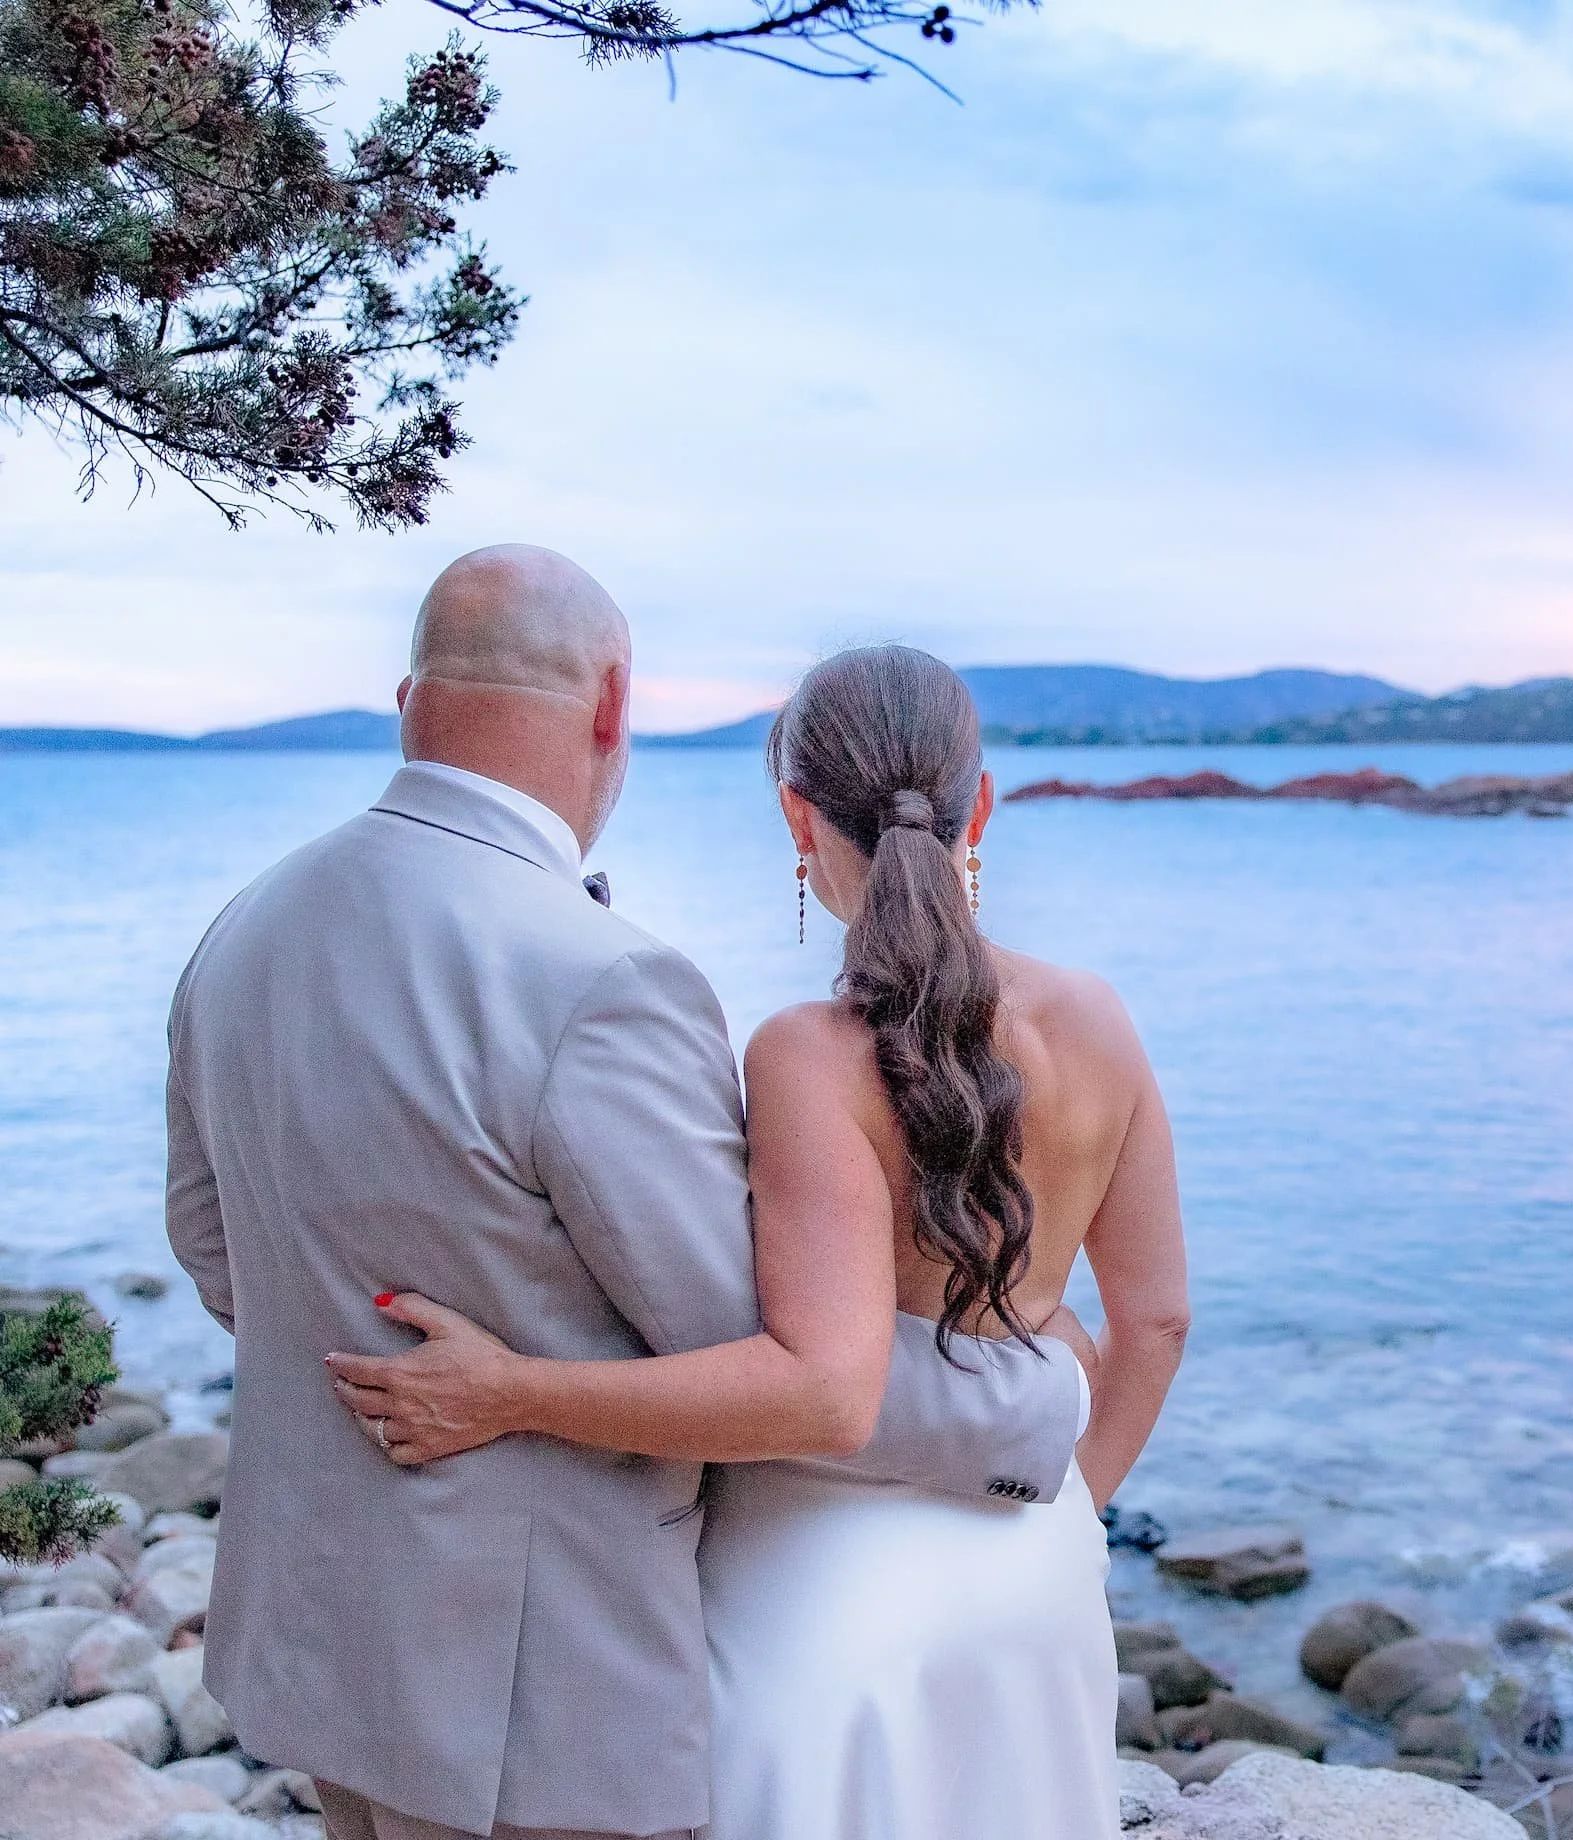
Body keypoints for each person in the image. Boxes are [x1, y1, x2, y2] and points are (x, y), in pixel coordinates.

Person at [165, 554, 1090, 1840]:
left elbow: (217, 1254)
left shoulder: (243, 926)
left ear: (405, 698)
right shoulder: (601, 981)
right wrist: (1041, 1394)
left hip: (323, 1651)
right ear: (613, 705)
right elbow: (768, 1358)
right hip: (532, 1695)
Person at [328, 644, 1192, 1840]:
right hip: (1035, 1570)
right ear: (978, 805)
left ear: (796, 812)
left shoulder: (803, 1055)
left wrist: (511, 1392)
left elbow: (811, 1383)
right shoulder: (1097, 1017)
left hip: (819, 1581)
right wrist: (1073, 1512)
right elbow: (1154, 1321)